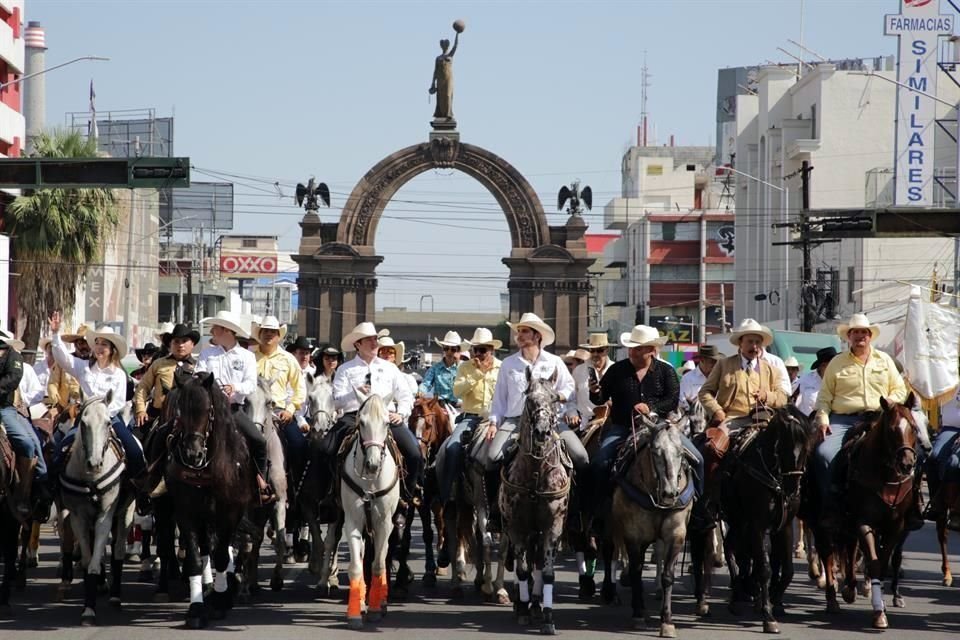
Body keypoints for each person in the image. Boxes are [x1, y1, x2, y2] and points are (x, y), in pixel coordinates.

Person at [476, 313, 589, 523]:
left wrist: (560, 396)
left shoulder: (554, 361)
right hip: (515, 421)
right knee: (491, 458)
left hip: (551, 421)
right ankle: (495, 510)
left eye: (524, 331)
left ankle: (576, 512)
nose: (519, 335)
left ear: (537, 336)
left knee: (581, 457)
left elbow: (569, 387)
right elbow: (499, 398)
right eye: (519, 331)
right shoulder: (509, 364)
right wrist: (494, 422)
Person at [813, 313, 916, 529]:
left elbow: (899, 388)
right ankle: (831, 504)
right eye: (856, 332)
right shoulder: (836, 363)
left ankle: (912, 504)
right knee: (824, 454)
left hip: (881, 418)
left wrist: (892, 400)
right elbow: (824, 398)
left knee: (915, 450)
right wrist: (823, 420)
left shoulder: (884, 360)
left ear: (870, 336)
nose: (860, 336)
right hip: (844, 419)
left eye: (864, 332)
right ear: (849, 336)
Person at [588, 325, 699, 504]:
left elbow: (672, 399)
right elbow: (600, 398)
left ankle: (699, 512)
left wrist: (650, 407)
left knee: (698, 459)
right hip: (623, 427)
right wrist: (594, 391)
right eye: (631, 347)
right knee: (599, 463)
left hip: (662, 428)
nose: (632, 351)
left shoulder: (666, 371)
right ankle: (597, 511)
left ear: (651, 351)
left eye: (638, 348)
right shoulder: (617, 370)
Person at [696, 319, 788, 526]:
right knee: (712, 449)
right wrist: (717, 411)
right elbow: (705, 392)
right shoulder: (724, 364)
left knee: (790, 449)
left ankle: (788, 498)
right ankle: (709, 502)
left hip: (764, 420)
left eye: (758, 342)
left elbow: (783, 398)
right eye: (750, 342)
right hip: (732, 420)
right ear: (740, 343)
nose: (754, 346)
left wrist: (768, 396)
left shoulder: (771, 368)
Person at [48, 312, 146, 485]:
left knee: (134, 450)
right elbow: (63, 358)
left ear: (112, 349)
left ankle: (139, 490)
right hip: (85, 418)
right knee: (61, 449)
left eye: (104, 344)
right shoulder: (84, 367)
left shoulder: (118, 374)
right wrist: (56, 334)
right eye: (97, 343)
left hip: (109, 419)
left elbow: (118, 402)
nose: (100, 347)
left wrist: (101, 414)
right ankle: (51, 489)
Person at [331, 322, 420, 510]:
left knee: (414, 453)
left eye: (375, 339)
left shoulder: (390, 368)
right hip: (354, 416)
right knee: (324, 449)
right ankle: (331, 495)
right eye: (369, 339)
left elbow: (405, 396)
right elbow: (337, 401)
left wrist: (401, 413)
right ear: (357, 344)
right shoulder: (345, 369)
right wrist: (354, 393)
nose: (375, 342)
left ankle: (406, 497)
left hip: (385, 417)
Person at [195, 310, 274, 503]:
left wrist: (235, 387)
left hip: (233, 410)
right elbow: (199, 376)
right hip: (210, 410)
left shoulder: (246, 356)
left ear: (227, 331)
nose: (212, 331)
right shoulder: (207, 354)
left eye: (216, 328)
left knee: (259, 442)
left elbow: (250, 384)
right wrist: (213, 388)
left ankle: (260, 483)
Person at [439, 327, 502, 504]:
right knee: (452, 447)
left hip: (496, 419)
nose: (478, 354)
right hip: (471, 417)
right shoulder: (465, 367)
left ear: (491, 350)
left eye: (482, 350)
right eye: (475, 350)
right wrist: (477, 373)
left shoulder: (502, 368)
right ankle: (449, 494)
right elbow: (457, 391)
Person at [0, 328, 50, 518]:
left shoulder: (13, 357)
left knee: (27, 443)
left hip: (4, 408)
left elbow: (12, 379)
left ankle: (23, 494)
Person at [253, 317, 306, 472]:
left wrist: (290, 410)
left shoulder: (288, 359)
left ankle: (295, 487)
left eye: (273, 332)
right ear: (260, 333)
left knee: (299, 445)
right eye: (265, 331)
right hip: (252, 410)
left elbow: (300, 389)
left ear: (278, 336)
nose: (269, 334)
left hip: (278, 412)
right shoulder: (249, 357)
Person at [133, 324, 199, 429]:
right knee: (137, 440)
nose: (180, 345)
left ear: (192, 344)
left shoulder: (199, 366)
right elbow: (143, 387)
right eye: (176, 341)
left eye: (184, 341)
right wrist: (141, 409)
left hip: (189, 418)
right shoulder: (158, 363)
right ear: (170, 344)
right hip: (158, 416)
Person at [927, 386, 960, 531]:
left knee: (954, 462)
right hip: (950, 428)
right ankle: (937, 503)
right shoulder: (949, 380)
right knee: (933, 456)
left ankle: (955, 511)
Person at [569, 332, 615, 429]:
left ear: (607, 350)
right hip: (584, 422)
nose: (595, 354)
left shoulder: (616, 369)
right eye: (592, 350)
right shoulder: (579, 371)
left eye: (599, 350)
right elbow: (571, 397)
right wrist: (572, 413)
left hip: (610, 422)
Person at [420, 331, 462, 406]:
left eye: (453, 349)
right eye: (446, 348)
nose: (449, 352)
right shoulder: (435, 368)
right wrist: (421, 391)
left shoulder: (463, 368)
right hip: (440, 405)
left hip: (459, 406)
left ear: (458, 351)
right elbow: (426, 383)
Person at [794, 347, 837, 416]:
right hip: (807, 423)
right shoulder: (804, 380)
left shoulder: (841, 380)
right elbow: (794, 402)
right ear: (821, 366)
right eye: (830, 365)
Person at [429, 31, 460, 121]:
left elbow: (456, 46)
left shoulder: (450, 55)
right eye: (443, 45)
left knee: (447, 96)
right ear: (441, 46)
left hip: (448, 79)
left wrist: (457, 34)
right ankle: (440, 114)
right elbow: (435, 71)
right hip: (440, 79)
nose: (445, 46)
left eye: (446, 45)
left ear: (448, 46)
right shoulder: (438, 58)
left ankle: (448, 114)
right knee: (440, 97)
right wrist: (432, 83)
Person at [377, 333, 419, 399]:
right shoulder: (372, 376)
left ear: (395, 357)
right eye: (383, 351)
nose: (387, 354)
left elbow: (411, 398)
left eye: (391, 351)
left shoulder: (408, 379)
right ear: (378, 355)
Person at [679, 344, 719, 411]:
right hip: (694, 417)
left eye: (716, 362)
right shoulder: (688, 378)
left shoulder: (719, 377)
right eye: (712, 362)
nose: (715, 365)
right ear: (702, 360)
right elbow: (682, 400)